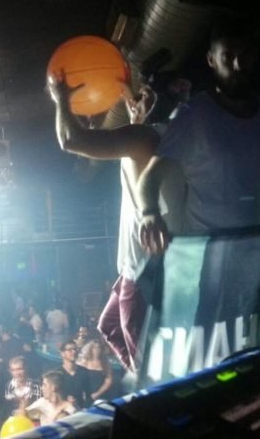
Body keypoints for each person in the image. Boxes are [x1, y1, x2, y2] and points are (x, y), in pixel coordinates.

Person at [139, 17, 260, 253]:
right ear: (211, 60)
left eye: (244, 55)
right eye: (227, 56)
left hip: (259, 249)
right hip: (208, 253)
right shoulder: (193, 115)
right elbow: (150, 177)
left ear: (254, 57)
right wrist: (149, 213)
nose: (237, 65)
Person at [48, 71, 186, 372]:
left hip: (142, 270)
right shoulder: (170, 139)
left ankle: (149, 387)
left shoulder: (146, 138)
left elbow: (70, 139)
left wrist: (61, 98)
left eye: (145, 94)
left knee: (146, 363)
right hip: (136, 267)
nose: (138, 98)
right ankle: (141, 378)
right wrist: (138, 118)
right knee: (109, 326)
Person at [58, 341, 91, 408]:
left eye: (75, 349)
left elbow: (88, 395)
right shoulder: (57, 373)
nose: (74, 352)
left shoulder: (84, 372)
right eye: (70, 350)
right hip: (61, 409)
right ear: (62, 354)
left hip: (79, 409)